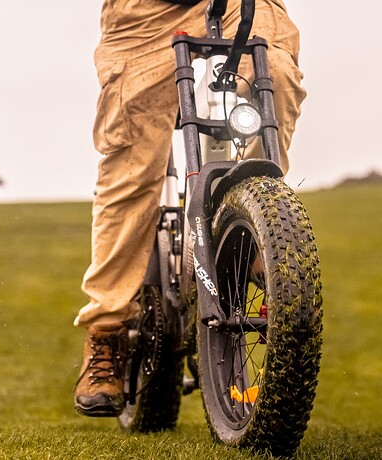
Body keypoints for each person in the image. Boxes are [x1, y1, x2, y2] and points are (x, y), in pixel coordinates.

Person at [73, 0, 306, 417]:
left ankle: (254, 230)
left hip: (237, 2)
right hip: (146, 12)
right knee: (131, 164)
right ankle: (107, 328)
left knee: (279, 79)